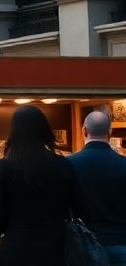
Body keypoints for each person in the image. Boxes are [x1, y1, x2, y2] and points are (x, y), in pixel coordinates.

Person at [0, 104, 78, 266]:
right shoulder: (64, 164)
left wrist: (11, 230)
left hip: (15, 248)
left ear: (14, 131)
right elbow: (77, 205)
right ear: (44, 130)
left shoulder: (5, 166)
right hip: (55, 247)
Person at [68, 110, 126, 265]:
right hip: (121, 242)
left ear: (84, 131)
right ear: (109, 132)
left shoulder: (68, 164)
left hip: (83, 245)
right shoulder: (124, 164)